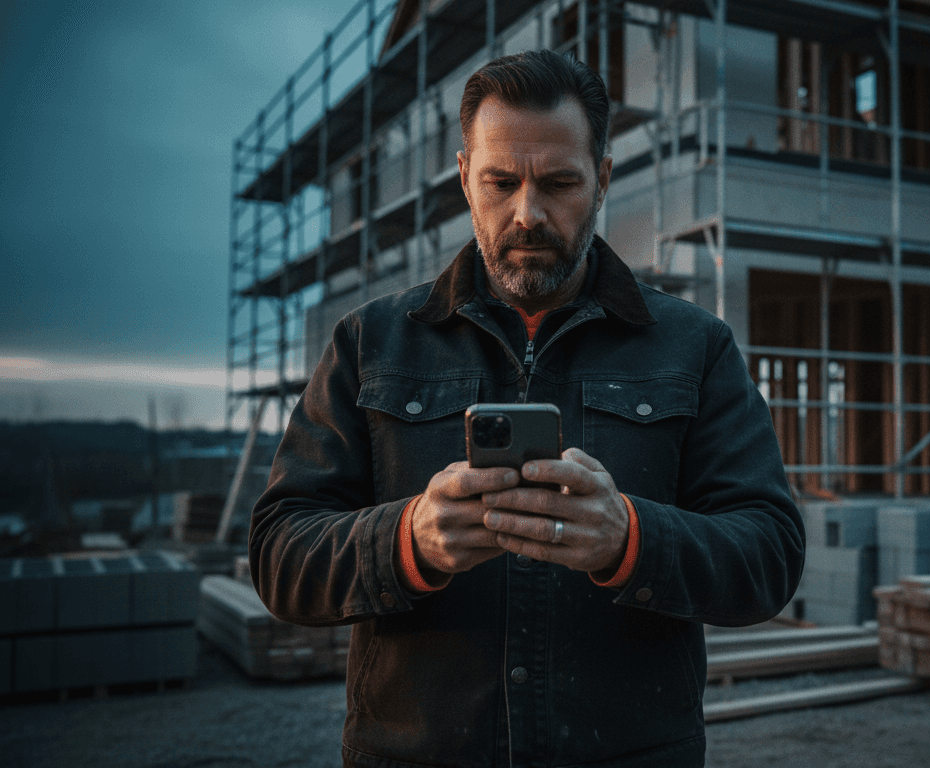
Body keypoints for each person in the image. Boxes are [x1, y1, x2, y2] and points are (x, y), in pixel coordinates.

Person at [250, 49, 804, 768]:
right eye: (501, 182)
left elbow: (770, 553)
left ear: (602, 180)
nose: (528, 213)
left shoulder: (694, 348)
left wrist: (629, 538)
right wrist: (406, 540)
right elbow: (277, 555)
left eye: (561, 183)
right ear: (463, 180)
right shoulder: (368, 343)